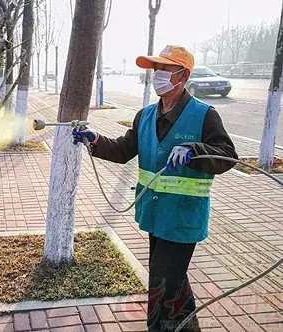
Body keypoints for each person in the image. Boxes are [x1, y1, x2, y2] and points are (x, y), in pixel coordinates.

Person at [72, 45, 238, 332]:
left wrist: (194, 149)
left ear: (182, 76)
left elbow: (227, 155)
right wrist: (95, 139)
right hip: (154, 214)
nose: (157, 75)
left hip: (183, 218)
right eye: (155, 69)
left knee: (163, 282)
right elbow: (124, 149)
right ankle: (188, 328)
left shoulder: (204, 115)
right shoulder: (145, 115)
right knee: (173, 279)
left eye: (164, 69)